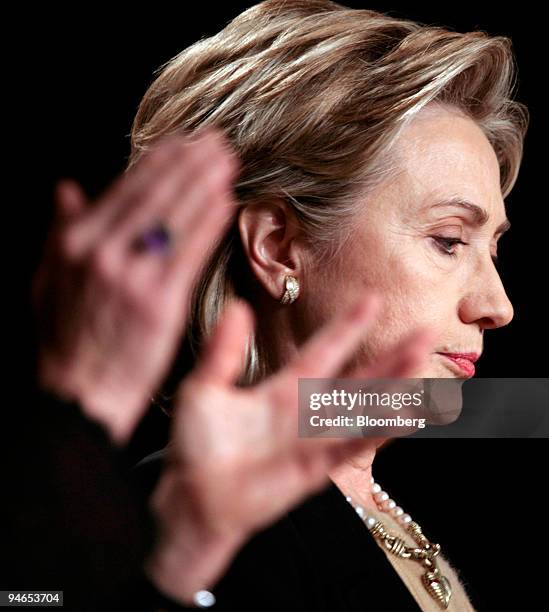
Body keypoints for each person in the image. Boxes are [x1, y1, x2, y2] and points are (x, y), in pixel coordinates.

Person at [126, 0, 528, 610]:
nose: (497, 306)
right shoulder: (196, 521)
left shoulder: (371, 510)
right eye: (448, 241)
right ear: (280, 247)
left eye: (492, 249)